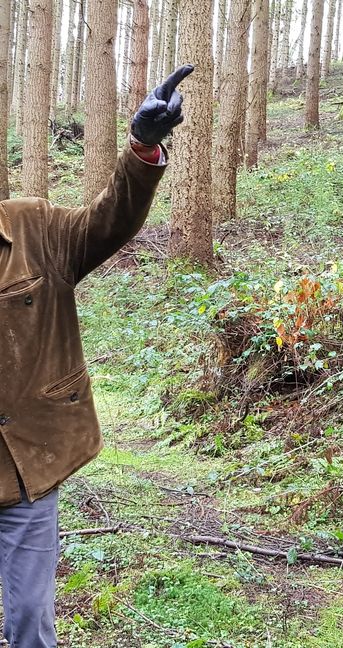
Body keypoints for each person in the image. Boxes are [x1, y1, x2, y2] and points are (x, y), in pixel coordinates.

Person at [0, 64, 194, 648]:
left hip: (28, 462)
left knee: (30, 619)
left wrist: (140, 149)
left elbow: (107, 222)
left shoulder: (33, 227)